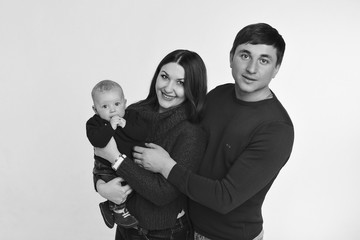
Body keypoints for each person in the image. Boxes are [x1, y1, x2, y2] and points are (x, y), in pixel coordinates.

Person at [134, 23, 295, 240]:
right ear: (231, 57)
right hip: (183, 226)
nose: (252, 68)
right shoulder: (218, 95)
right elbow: (174, 132)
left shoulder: (276, 130)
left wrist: (166, 166)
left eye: (264, 60)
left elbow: (225, 197)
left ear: (276, 69)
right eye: (245, 55)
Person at [94, 49, 208, 240]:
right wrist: (101, 187)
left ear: (193, 88)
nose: (168, 88)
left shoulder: (191, 132)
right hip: (126, 227)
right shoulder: (132, 112)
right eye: (164, 77)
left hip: (164, 233)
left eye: (180, 83)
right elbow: (101, 154)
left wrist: (118, 160)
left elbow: (163, 195)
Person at [86, 80, 149, 229]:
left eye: (117, 104)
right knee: (116, 184)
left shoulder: (132, 116)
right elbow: (98, 141)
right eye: (105, 106)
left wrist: (125, 125)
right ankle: (118, 210)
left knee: (135, 184)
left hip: (128, 163)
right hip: (106, 167)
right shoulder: (94, 124)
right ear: (95, 110)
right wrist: (111, 128)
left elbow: (141, 134)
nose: (112, 110)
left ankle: (109, 208)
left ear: (125, 103)